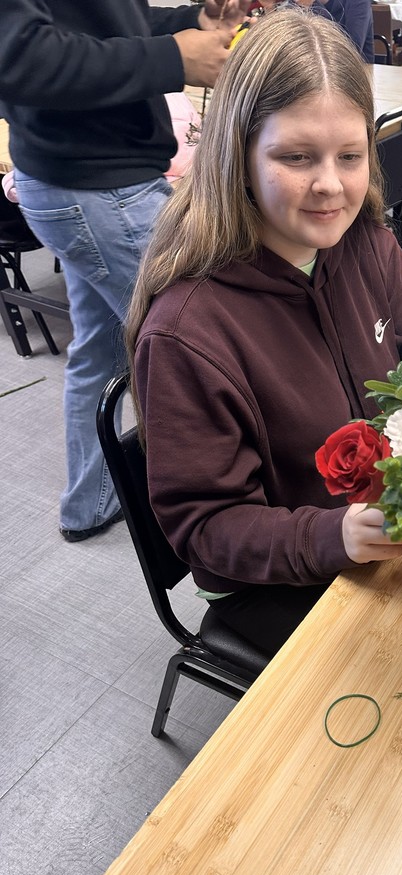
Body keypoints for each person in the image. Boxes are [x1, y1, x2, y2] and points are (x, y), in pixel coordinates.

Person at [125, 9, 402, 656]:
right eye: (295, 157)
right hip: (270, 575)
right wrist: (336, 538)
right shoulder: (188, 333)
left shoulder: (364, 245)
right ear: (237, 153)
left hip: (374, 527)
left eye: (350, 156)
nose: (330, 184)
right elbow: (209, 529)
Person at [0, 0, 251, 542]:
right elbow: (19, 57)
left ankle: (88, 504)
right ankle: (244, 519)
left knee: (102, 349)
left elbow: (105, 23)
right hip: (96, 188)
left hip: (83, 182)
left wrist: (186, 24)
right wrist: (170, 56)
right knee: (216, 347)